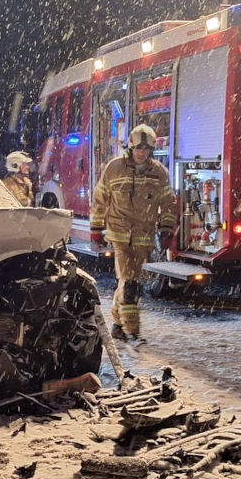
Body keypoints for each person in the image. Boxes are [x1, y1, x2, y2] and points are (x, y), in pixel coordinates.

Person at [89, 124, 178, 341]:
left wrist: (167, 228)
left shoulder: (159, 172)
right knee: (130, 283)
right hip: (118, 234)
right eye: (139, 148)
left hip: (143, 236)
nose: (142, 153)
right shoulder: (114, 168)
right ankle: (133, 331)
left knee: (129, 281)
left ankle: (118, 325)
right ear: (130, 146)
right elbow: (100, 199)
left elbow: (168, 202)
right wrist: (96, 228)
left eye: (146, 150)